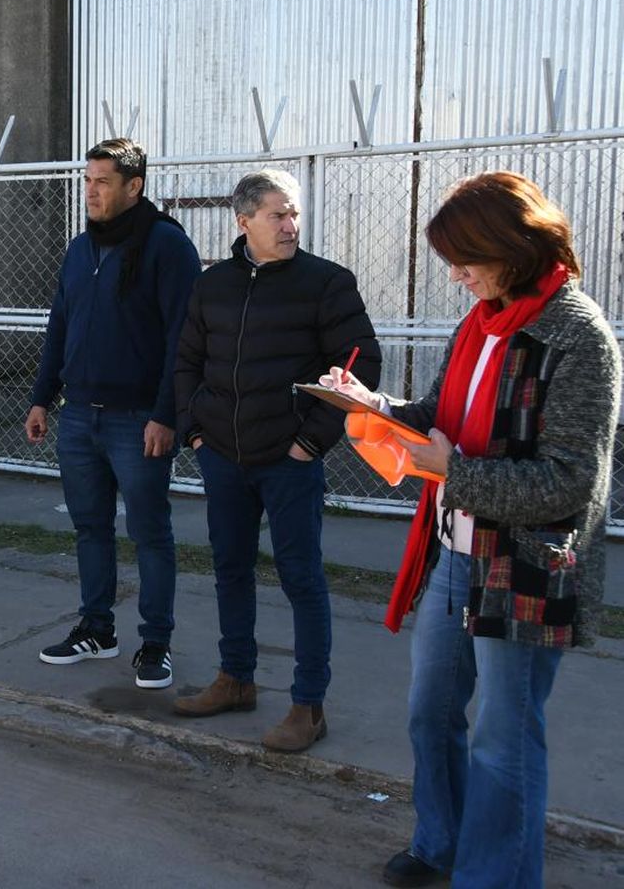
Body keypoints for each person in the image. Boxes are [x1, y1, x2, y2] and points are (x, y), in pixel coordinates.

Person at [322, 173, 621, 889]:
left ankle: (496, 876)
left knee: (503, 739)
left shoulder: (579, 337)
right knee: (430, 714)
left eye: (464, 260)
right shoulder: (480, 322)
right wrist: (376, 404)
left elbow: (569, 483)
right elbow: (441, 413)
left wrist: (453, 472)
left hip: (525, 566)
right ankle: (440, 844)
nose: (455, 276)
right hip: (455, 556)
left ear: (510, 248)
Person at [171, 168, 380, 752]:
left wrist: (309, 443)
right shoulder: (212, 285)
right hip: (223, 457)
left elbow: (359, 368)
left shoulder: (327, 284)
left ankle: (308, 705)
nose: (290, 225)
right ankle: (235, 678)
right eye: (277, 215)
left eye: (294, 214)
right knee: (230, 569)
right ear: (244, 222)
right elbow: (186, 360)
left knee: (301, 579)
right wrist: (194, 433)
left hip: (289, 461)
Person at [26, 138, 202, 688]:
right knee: (90, 528)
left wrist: (166, 414)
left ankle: (156, 643)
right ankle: (97, 628)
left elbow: (184, 340)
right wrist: (41, 397)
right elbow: (60, 326)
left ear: (134, 186)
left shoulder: (168, 247)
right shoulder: (81, 250)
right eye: (88, 180)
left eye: (103, 181)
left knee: (150, 533)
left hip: (139, 421)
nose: (92, 191)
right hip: (79, 416)